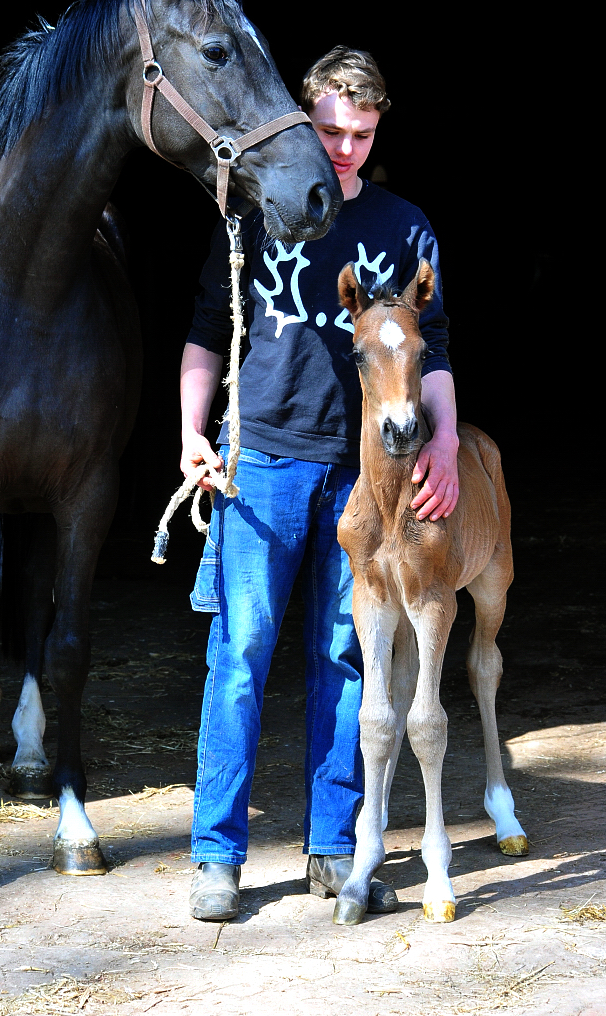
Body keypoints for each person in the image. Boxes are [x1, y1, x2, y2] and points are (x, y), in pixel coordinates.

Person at [179, 47, 459, 921]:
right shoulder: (255, 209)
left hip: (363, 474)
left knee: (346, 655)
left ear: (378, 130)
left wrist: (447, 443)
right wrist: (190, 434)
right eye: (331, 129)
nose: (344, 147)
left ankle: (333, 848)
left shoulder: (405, 226)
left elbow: (436, 349)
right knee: (241, 654)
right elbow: (207, 329)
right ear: (305, 118)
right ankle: (216, 857)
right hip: (259, 456)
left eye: (361, 133)